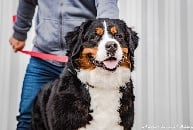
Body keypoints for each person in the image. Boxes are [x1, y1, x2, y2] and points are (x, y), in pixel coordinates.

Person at [9, 0, 119, 129]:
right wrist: (19, 33)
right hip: (42, 62)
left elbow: (107, 7)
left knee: (89, 121)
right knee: (27, 118)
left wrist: (106, 40)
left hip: (81, 66)